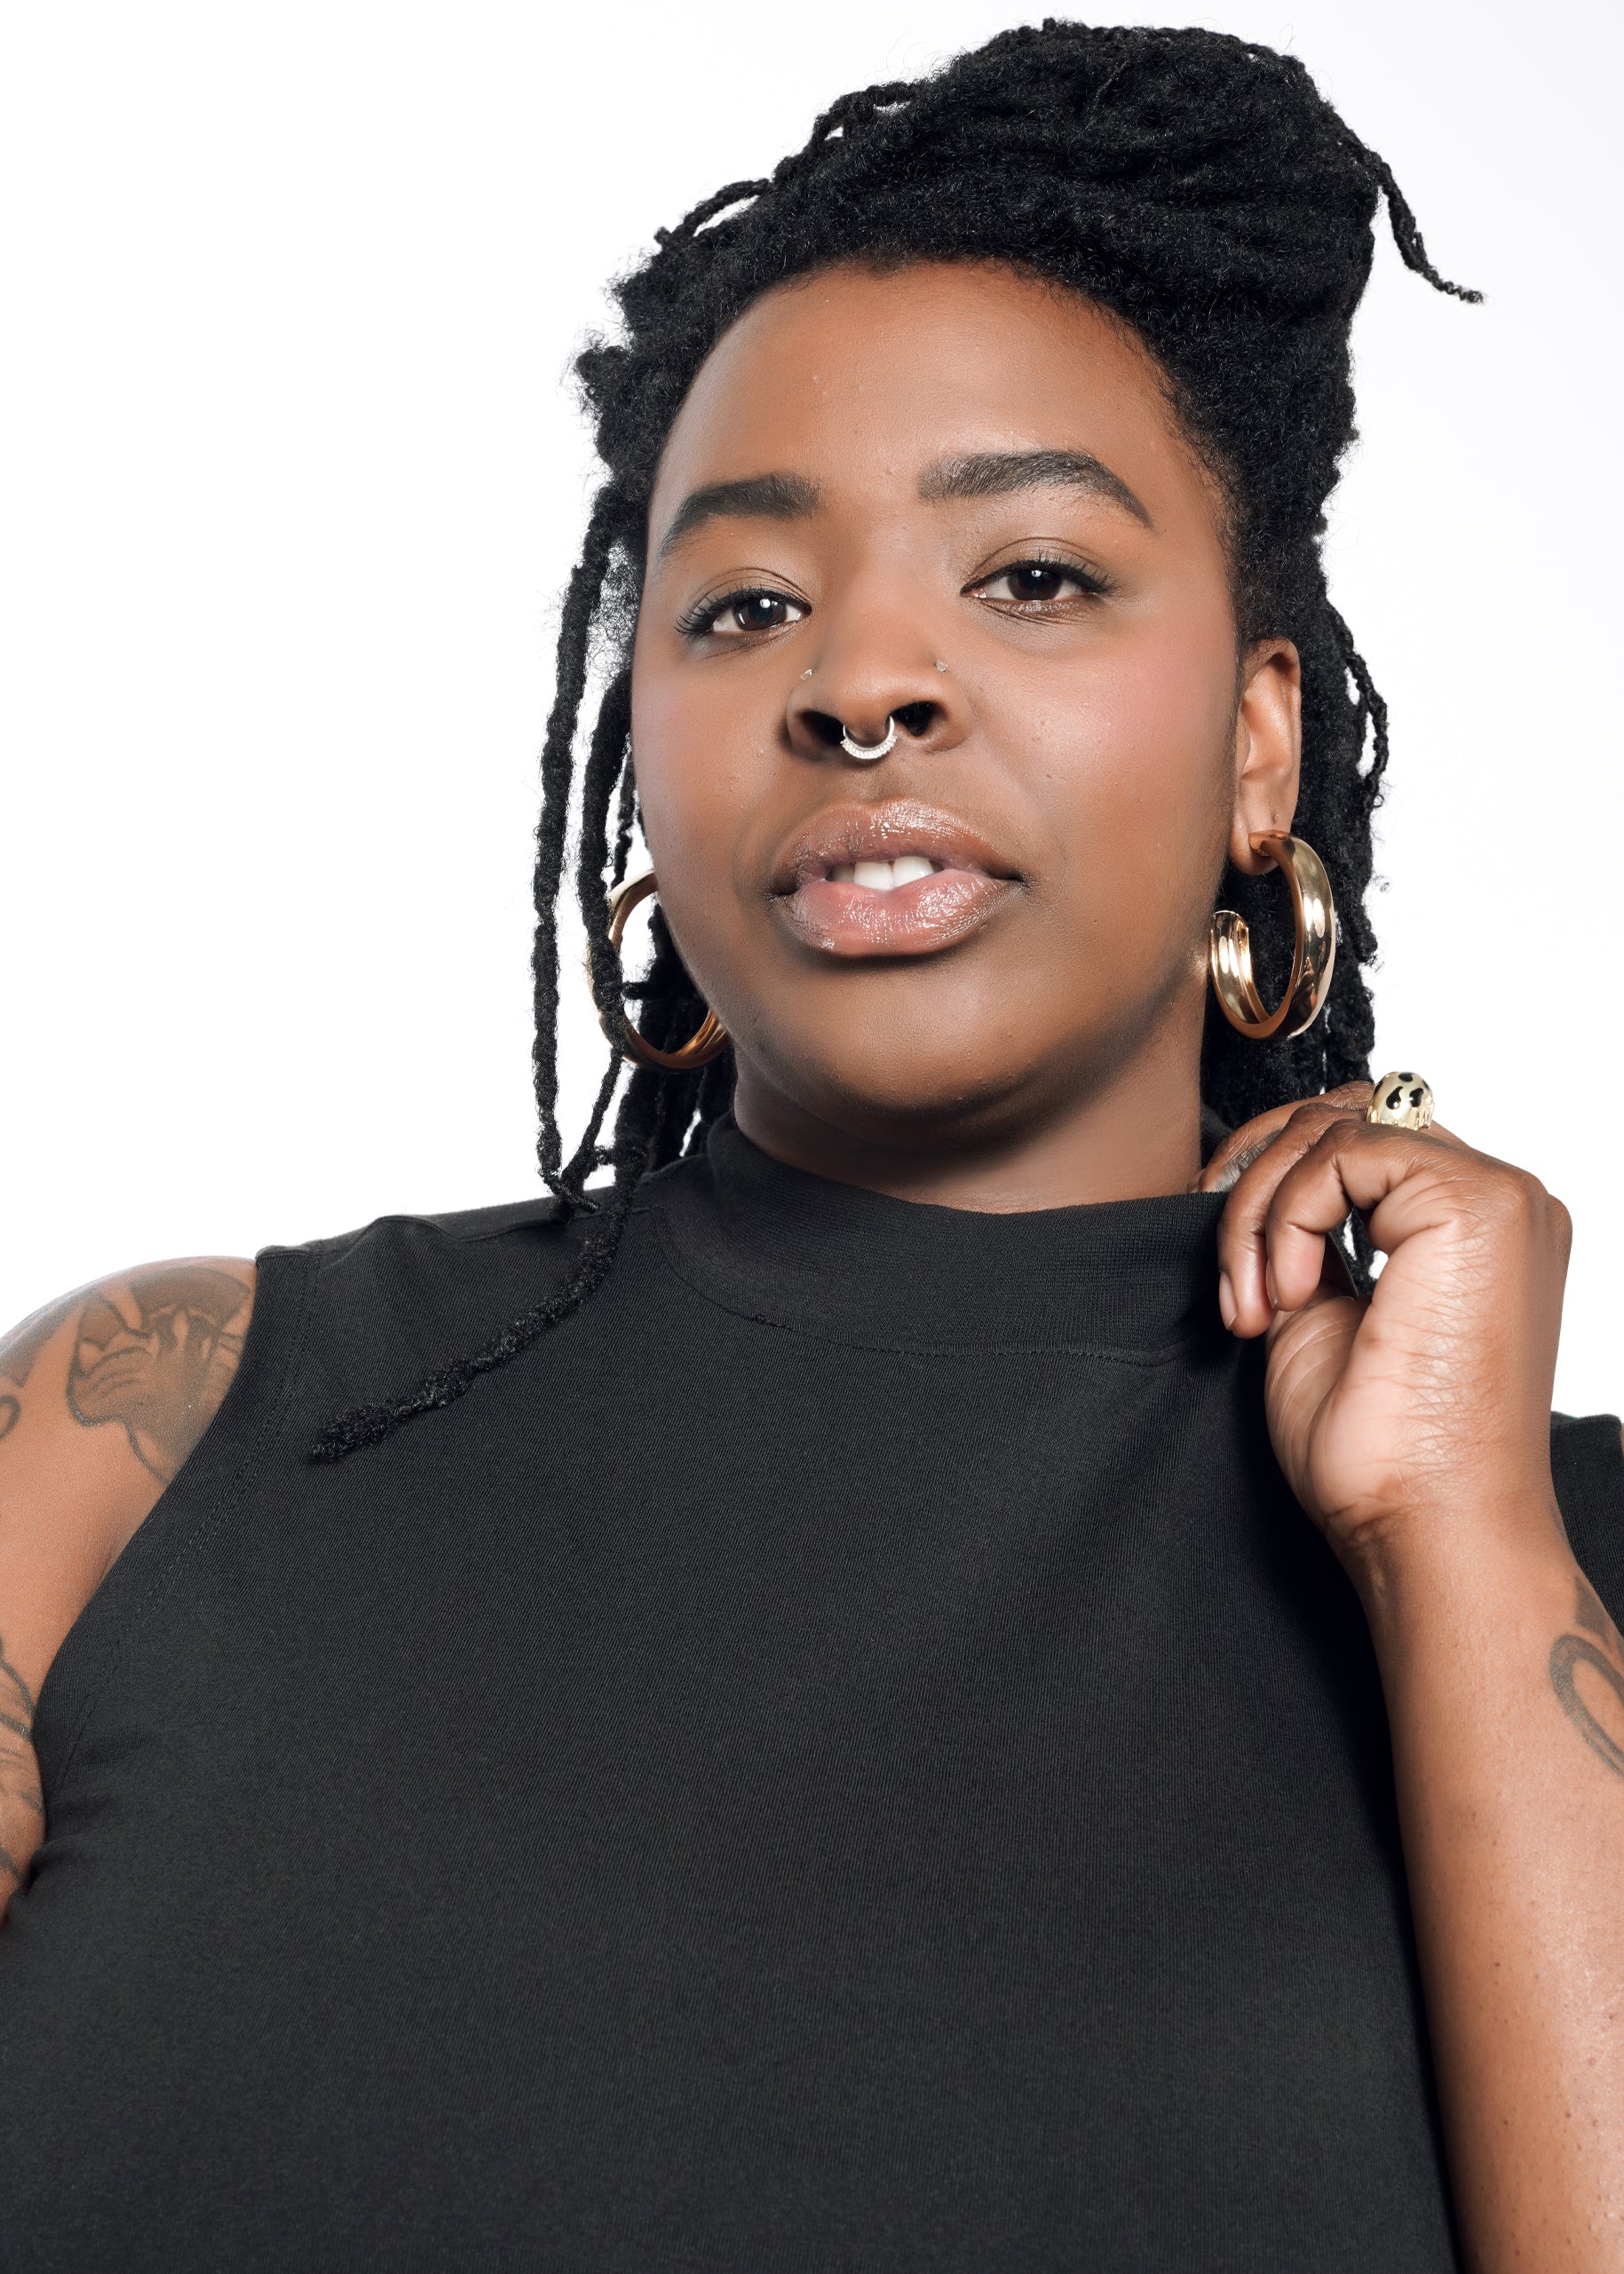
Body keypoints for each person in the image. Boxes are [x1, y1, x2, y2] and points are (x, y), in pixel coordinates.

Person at [1, 21, 1619, 2270]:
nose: (863, 677)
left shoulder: (1543, 1565)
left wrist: (1469, 1549)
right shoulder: (152, 1422)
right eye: (743, 602)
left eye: (1031, 576)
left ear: (1265, 747)